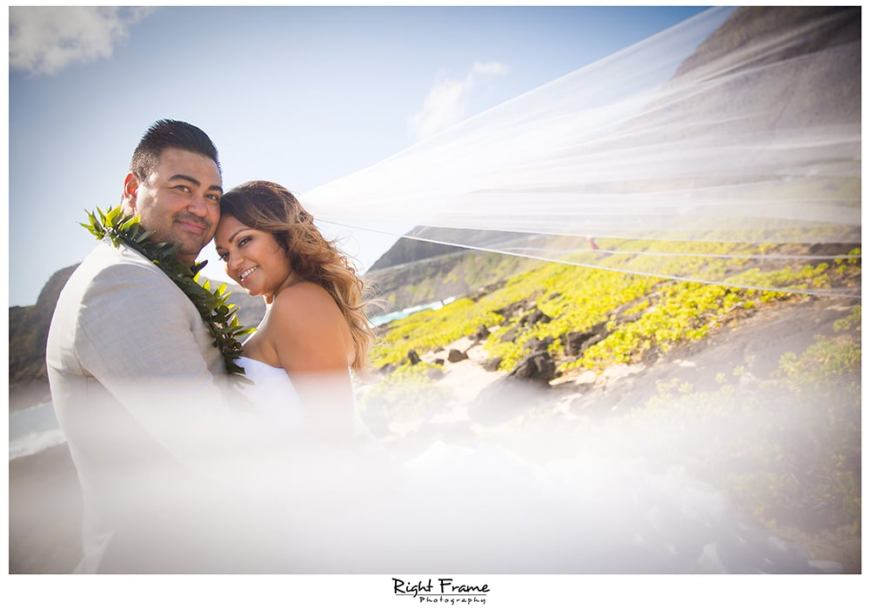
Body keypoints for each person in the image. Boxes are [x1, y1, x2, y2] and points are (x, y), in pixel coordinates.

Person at [46, 119, 253, 572]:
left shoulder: (144, 275)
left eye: (212, 195)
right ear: (131, 187)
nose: (201, 208)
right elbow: (217, 446)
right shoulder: (120, 282)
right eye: (182, 188)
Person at [214, 180, 374, 441]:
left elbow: (336, 434)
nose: (233, 263)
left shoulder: (298, 303)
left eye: (244, 241)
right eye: (224, 254)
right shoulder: (290, 301)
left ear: (283, 235)